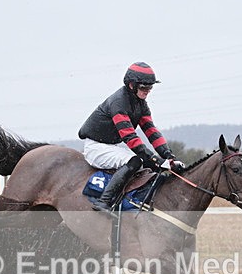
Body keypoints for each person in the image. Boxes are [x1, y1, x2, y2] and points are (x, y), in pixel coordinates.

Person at [79, 62, 186, 214]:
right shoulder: (118, 103)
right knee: (135, 161)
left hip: (112, 146)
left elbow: (151, 131)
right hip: (96, 147)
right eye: (143, 87)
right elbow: (130, 138)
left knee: (149, 163)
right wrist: (157, 160)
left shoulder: (141, 104)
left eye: (150, 87)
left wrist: (169, 157)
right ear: (131, 85)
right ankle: (104, 201)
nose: (147, 91)